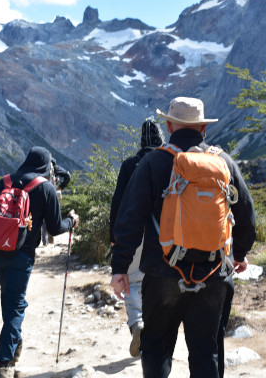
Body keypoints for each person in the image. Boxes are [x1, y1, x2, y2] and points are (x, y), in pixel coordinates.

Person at [110, 97, 256, 378]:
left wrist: (120, 268)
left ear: (168, 125)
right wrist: (239, 255)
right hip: (214, 273)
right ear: (203, 127)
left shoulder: (153, 162)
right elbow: (247, 217)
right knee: (206, 351)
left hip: (162, 273)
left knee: (156, 347)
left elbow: (129, 219)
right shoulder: (222, 161)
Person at [0, 146, 79, 378]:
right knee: (16, 304)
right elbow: (55, 228)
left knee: (8, 297)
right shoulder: (46, 188)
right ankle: (2, 363)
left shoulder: (3, 183)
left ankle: (12, 347)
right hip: (21, 255)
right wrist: (71, 221)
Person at [109, 117, 165, 357]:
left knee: (132, 280)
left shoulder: (130, 164)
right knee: (160, 281)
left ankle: (137, 324)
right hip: (164, 235)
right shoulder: (169, 162)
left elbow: (118, 202)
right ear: (162, 139)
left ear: (141, 141)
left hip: (133, 234)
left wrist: (115, 237)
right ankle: (157, 330)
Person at [42, 158, 71, 245]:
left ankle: (45, 240)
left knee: (43, 218)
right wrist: (60, 187)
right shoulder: (55, 168)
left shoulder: (41, 168)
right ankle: (50, 238)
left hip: (42, 193)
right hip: (53, 194)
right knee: (52, 216)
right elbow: (68, 176)